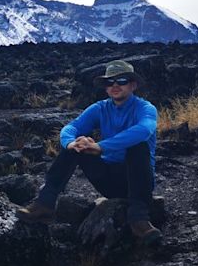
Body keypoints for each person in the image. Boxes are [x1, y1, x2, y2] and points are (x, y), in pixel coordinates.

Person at [17, 60, 161, 245]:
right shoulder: (100, 108)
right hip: (108, 181)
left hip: (138, 182)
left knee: (138, 145)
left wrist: (101, 147)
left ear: (133, 85)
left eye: (122, 80)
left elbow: (144, 130)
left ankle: (139, 220)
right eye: (110, 82)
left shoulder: (145, 109)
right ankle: (45, 204)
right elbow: (72, 127)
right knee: (78, 144)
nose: (115, 86)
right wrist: (71, 144)